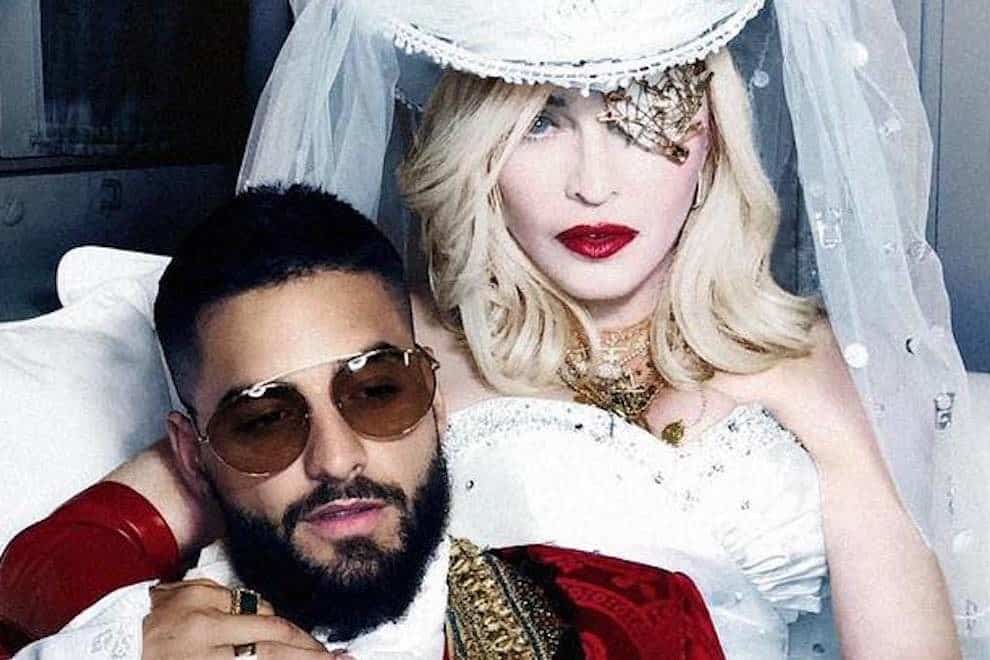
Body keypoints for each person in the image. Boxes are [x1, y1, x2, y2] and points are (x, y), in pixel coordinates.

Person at [2, 0, 986, 658]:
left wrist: (840, 430)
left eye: (640, 119)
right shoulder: (382, 359)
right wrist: (157, 633)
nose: (594, 183)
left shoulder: (805, 352)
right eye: (541, 122)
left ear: (712, 139)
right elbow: (50, 565)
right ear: (474, 148)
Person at [10, 186, 725, 660]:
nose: (337, 457)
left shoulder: (642, 622)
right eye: (265, 421)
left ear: (434, 401)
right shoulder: (106, 642)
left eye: (378, 392)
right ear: (193, 458)